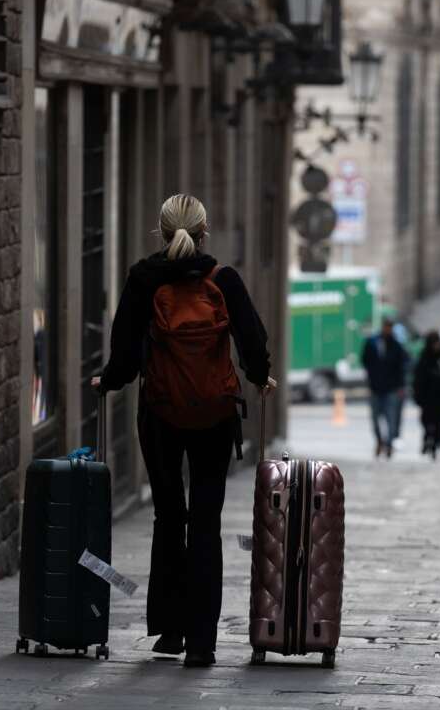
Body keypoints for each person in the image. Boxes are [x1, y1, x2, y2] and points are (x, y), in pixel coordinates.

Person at [93, 194, 274, 667]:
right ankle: (202, 642)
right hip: (214, 416)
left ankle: (170, 632)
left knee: (169, 517)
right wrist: (259, 376)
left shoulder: (143, 280)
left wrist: (107, 381)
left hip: (161, 413)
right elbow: (253, 342)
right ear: (204, 231)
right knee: (207, 522)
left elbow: (127, 355)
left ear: (161, 230)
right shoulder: (223, 280)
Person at [361, 317, 411, 459]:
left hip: (391, 388)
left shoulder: (397, 345)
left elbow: (403, 366)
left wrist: (401, 386)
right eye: (385, 326)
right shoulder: (372, 343)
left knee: (391, 418)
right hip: (375, 387)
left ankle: (388, 444)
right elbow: (365, 361)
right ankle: (379, 440)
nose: (387, 329)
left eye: (389, 327)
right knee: (375, 419)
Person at [413, 331, 440, 458]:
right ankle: (428, 440)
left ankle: (438, 443)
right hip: (427, 397)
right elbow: (418, 378)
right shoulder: (424, 356)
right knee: (426, 421)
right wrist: (417, 395)